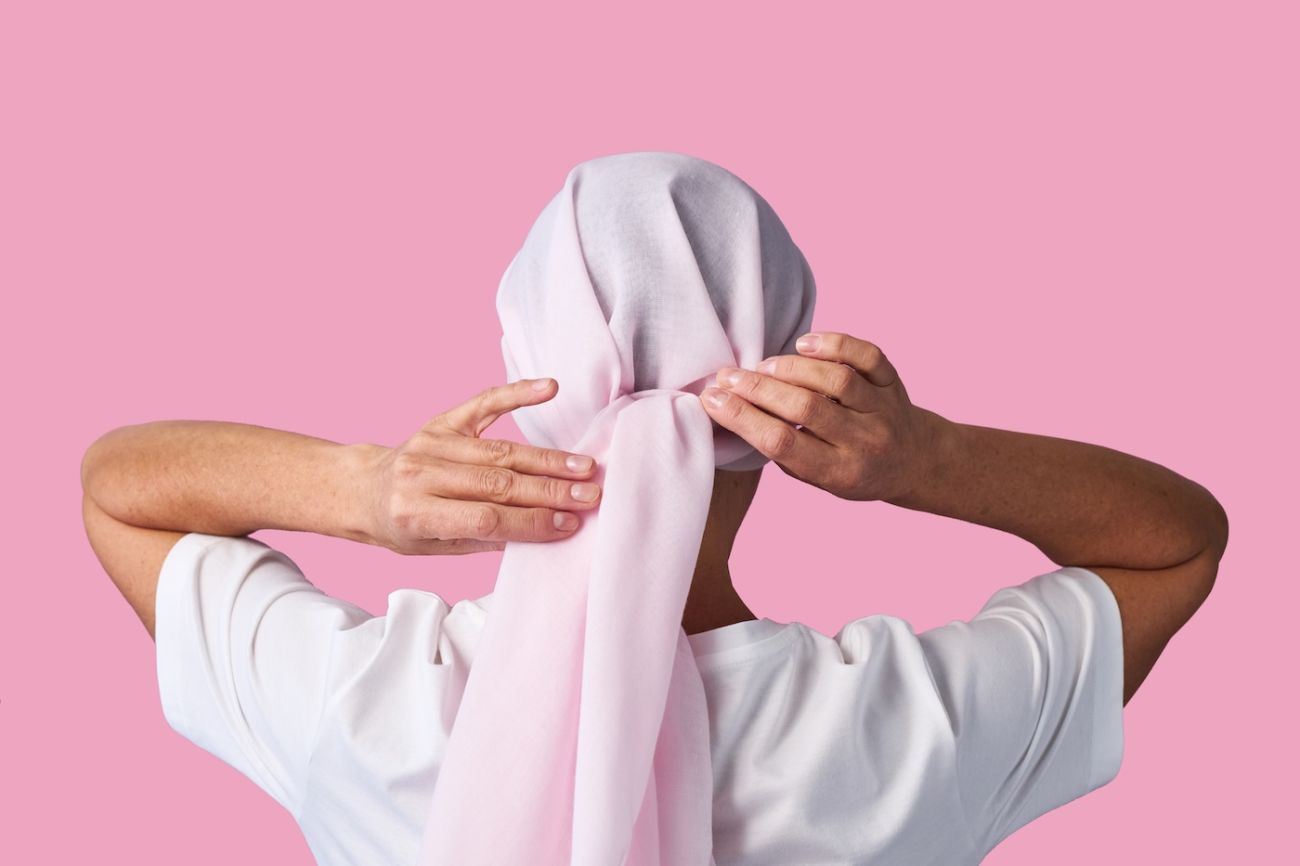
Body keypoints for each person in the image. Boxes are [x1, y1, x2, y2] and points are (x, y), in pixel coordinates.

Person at [81, 153, 1228, 865]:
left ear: (526, 382)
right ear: (789, 406)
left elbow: (120, 493)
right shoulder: (909, 727)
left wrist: (362, 488)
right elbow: (1173, 544)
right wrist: (923, 459)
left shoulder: (364, 704)